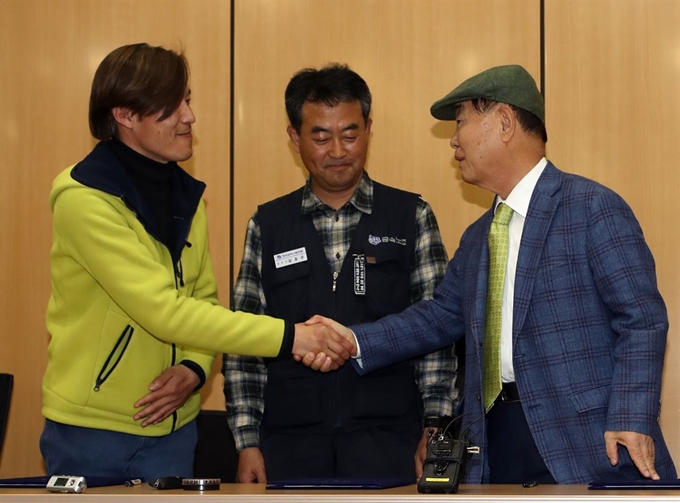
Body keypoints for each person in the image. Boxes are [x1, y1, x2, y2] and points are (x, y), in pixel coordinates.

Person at [309, 65, 677, 484]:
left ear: (503, 122)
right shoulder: (480, 235)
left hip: (589, 445)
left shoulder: (592, 207)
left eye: (461, 121)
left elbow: (642, 318)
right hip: (497, 442)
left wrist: (631, 414)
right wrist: (352, 340)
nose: (453, 139)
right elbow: (438, 316)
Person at [40, 43, 354, 483]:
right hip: (93, 431)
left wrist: (193, 368)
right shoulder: (84, 200)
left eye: (187, 100)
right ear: (125, 115)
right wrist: (293, 337)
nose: (189, 116)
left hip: (174, 428)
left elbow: (202, 300)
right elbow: (163, 310)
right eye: (171, 106)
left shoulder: (185, 196)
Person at [222, 64, 458, 483]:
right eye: (320, 136)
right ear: (295, 138)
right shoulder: (267, 225)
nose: (338, 150)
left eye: (350, 134)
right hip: (288, 450)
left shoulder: (411, 216)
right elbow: (244, 344)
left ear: (368, 129)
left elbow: (436, 332)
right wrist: (246, 442)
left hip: (389, 445)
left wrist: (435, 427)